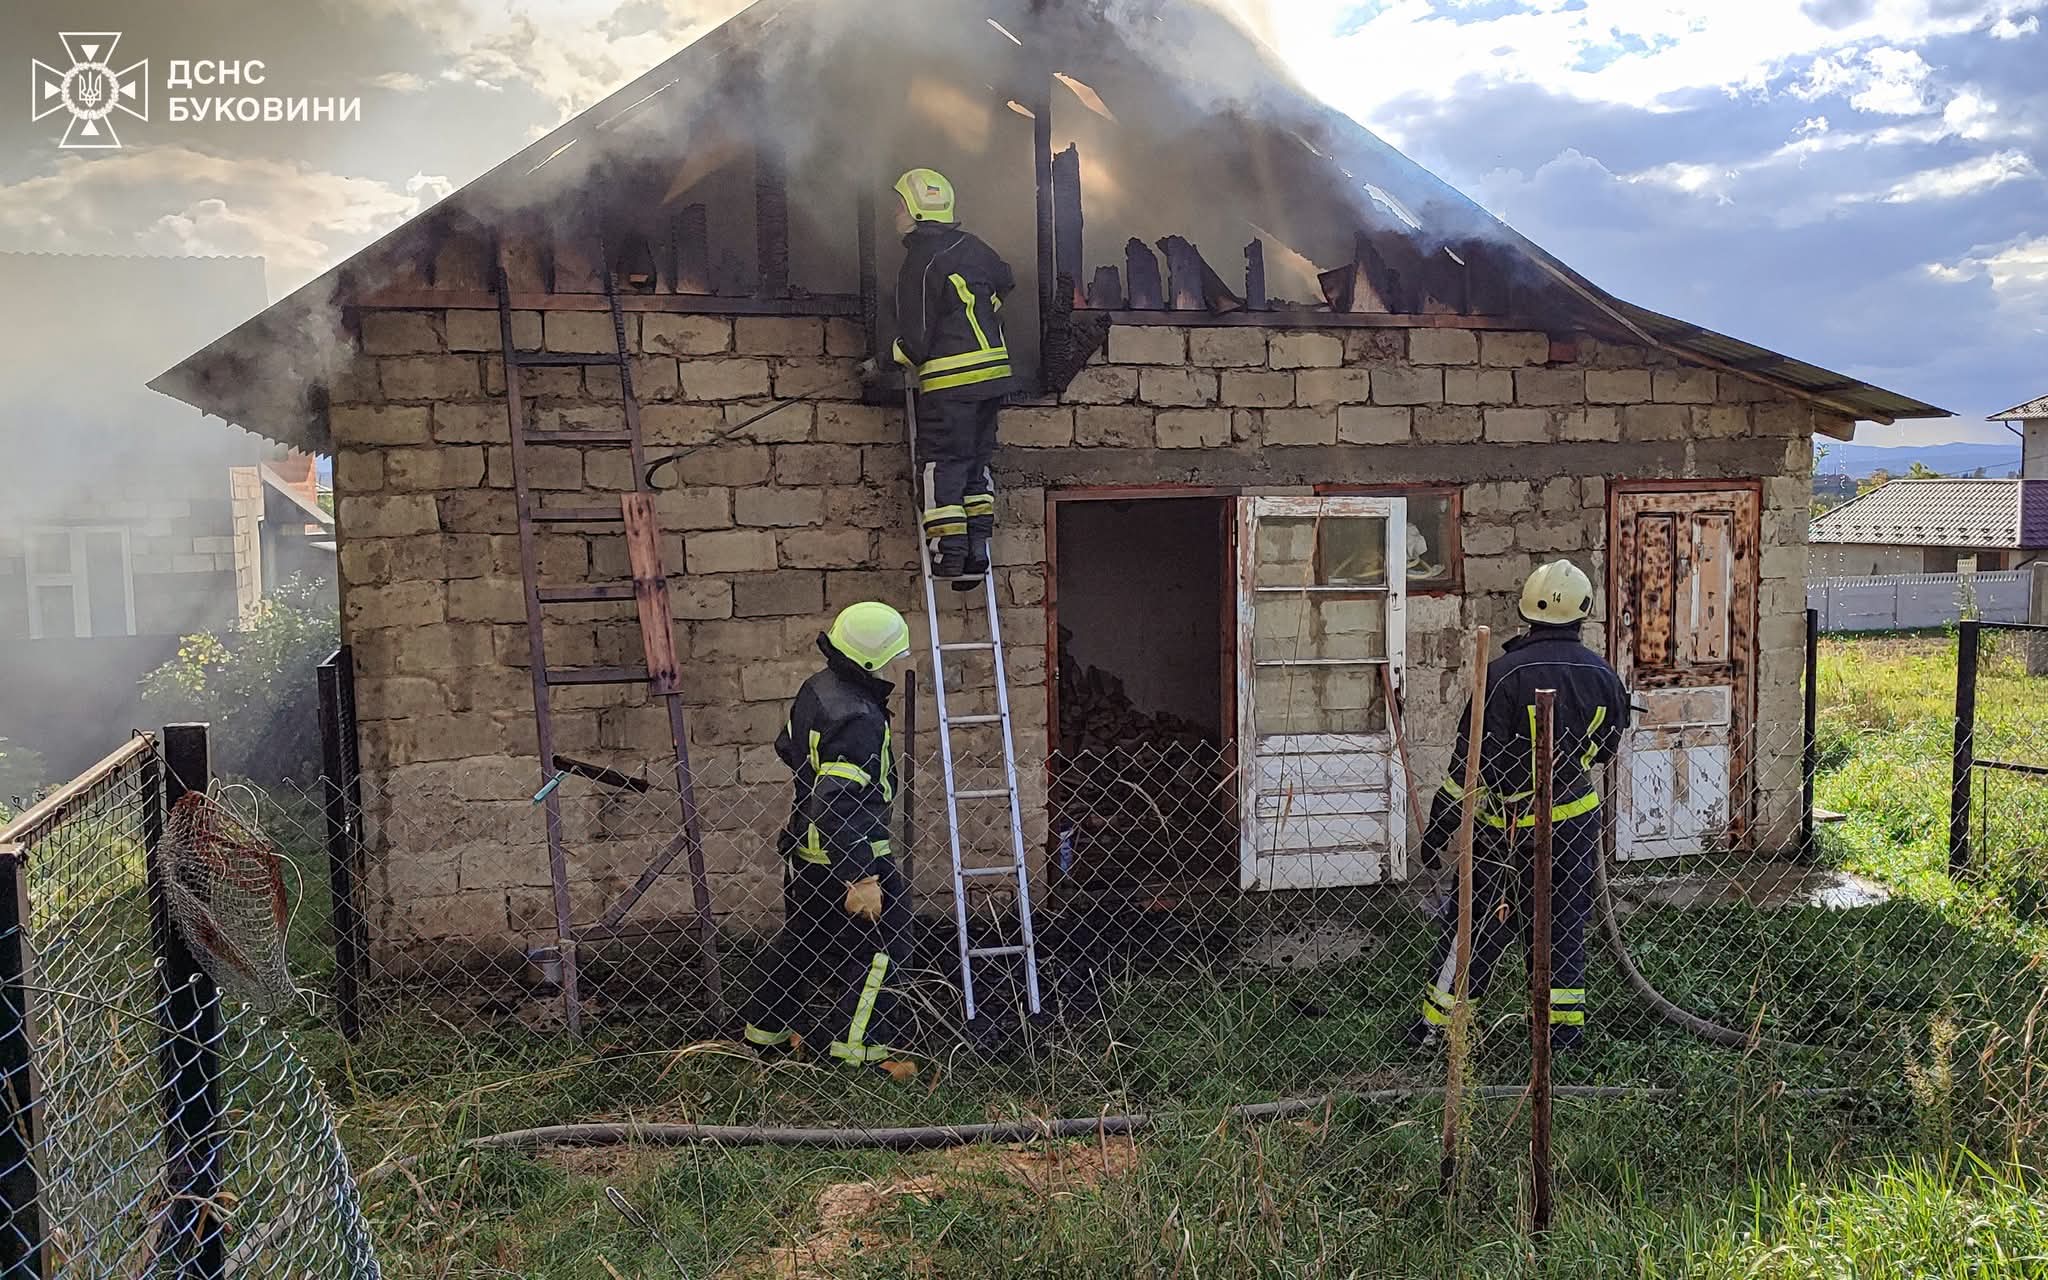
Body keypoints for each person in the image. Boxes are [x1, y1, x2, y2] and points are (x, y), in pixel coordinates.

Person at [1406, 560, 1631, 1052]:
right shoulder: (1606, 677)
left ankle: (1437, 1033)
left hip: (1506, 834)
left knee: (1474, 929)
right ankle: (1561, 1039)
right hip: (1575, 828)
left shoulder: (1503, 675)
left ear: (1527, 609)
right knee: (1563, 928)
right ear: (1583, 611)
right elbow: (1608, 748)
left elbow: (1468, 770)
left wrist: (1437, 833)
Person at [741, 601, 917, 1077]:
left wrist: (810, 774)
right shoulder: (859, 716)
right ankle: (860, 1052)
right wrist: (860, 876)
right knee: (885, 949)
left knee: (804, 941)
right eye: (888, 658)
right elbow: (838, 802)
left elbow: (787, 745)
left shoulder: (817, 689)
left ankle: (766, 1032)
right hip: (852, 853)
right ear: (868, 660)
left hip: (807, 850)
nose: (892, 666)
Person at [890, 166, 1016, 591]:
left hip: (951, 384)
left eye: (900, 205)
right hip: (993, 377)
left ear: (917, 212)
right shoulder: (974, 247)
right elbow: (1005, 279)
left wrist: (888, 357)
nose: (895, 212)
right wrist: (985, 305)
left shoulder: (920, 263)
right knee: (976, 465)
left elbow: (917, 339)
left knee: (943, 463)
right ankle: (977, 552)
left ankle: (950, 555)